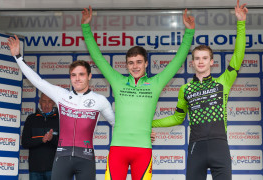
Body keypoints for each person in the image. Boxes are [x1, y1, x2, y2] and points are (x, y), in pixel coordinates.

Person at [81, 6, 195, 180]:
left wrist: (189, 33)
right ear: (126, 65)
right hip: (118, 149)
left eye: (139, 62)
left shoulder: (155, 83)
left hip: (143, 150)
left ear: (146, 63)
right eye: (131, 63)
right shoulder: (117, 81)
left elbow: (177, 61)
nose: (135, 66)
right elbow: (97, 58)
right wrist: (86, 28)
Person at [152, 1, 248, 180]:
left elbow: (238, 55)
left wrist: (241, 23)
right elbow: (177, 118)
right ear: (192, 63)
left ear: (212, 62)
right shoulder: (185, 89)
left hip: (220, 147)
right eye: (197, 58)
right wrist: (149, 123)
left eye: (205, 58)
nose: (201, 61)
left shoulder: (223, 82)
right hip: (196, 148)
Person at [8, 37, 116, 180]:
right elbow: (37, 81)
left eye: (81, 74)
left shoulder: (100, 100)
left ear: (89, 76)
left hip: (86, 159)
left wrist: (143, 134)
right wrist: (18, 57)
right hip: (62, 158)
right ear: (70, 77)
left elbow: (117, 124)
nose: (77, 79)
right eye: (73, 75)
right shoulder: (61, 95)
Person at [22, 93, 59, 180]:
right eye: (44, 101)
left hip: (54, 169)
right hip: (35, 170)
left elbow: (64, 144)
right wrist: (41, 140)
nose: (46, 105)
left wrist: (51, 138)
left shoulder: (59, 119)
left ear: (53, 102)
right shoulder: (31, 119)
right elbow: (25, 142)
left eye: (49, 102)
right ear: (39, 102)